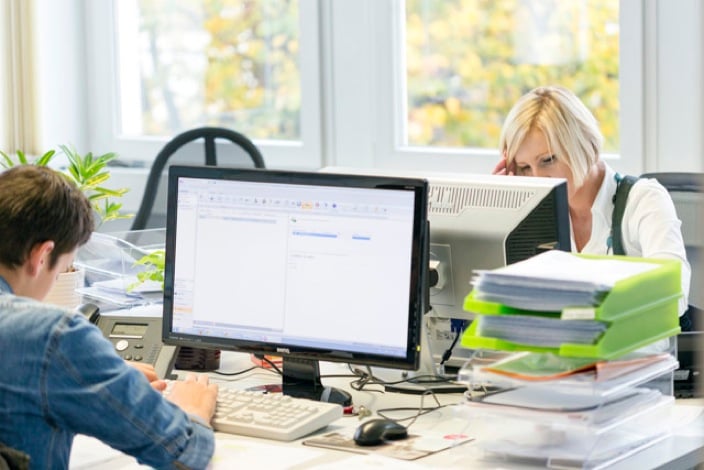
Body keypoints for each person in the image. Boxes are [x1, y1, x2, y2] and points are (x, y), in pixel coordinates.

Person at [0, 165, 218, 469]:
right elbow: (182, 454)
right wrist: (192, 409)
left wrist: (91, 375)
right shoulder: (51, 336)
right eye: (62, 269)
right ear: (42, 256)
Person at [494, 85, 692, 324]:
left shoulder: (644, 200)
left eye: (548, 160)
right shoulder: (537, 216)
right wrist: (502, 213)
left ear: (585, 145)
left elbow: (673, 294)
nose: (537, 178)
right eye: (524, 167)